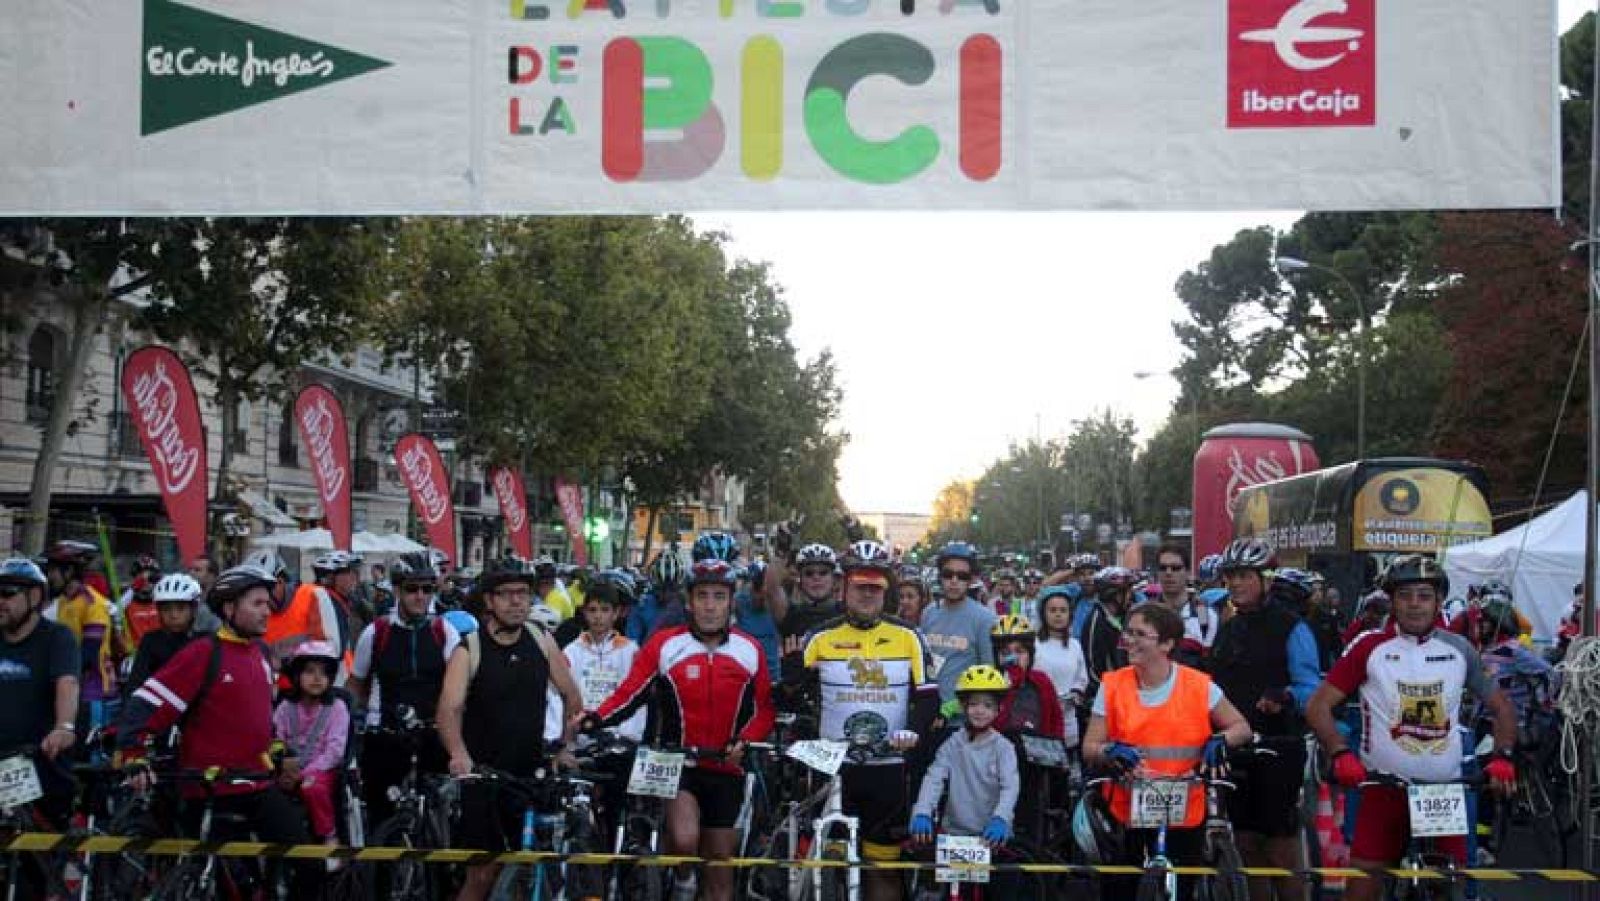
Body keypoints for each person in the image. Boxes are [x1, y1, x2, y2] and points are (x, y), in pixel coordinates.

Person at [1306, 554, 1519, 901]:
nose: (1415, 605)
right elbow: (1318, 707)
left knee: (1452, 888)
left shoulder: (1459, 649)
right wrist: (1340, 752)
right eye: (1405, 595)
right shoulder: (1369, 647)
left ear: (1438, 602)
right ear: (1392, 601)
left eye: (1424, 595)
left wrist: (1503, 756)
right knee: (1360, 889)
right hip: (1382, 789)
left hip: (1443, 792)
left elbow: (1503, 709)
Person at [118, 563, 318, 892]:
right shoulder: (203, 652)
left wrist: (278, 751)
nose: (267, 611)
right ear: (229, 608)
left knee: (309, 864)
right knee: (227, 884)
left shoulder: (262, 654)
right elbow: (146, 703)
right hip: (210, 792)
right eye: (257, 603)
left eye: (268, 603)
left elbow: (258, 724)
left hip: (256, 787)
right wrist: (133, 752)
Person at [589, 557, 774, 901]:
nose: (709, 605)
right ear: (689, 601)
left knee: (720, 866)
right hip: (676, 762)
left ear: (731, 602)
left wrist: (746, 741)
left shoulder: (750, 649)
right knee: (686, 842)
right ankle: (684, 878)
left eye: (719, 596)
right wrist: (594, 718)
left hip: (726, 766)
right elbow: (630, 693)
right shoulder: (663, 644)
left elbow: (764, 710)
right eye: (702, 596)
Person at [437, 556, 584, 901]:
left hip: (528, 773)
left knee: (524, 868)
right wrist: (459, 755)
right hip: (483, 775)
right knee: (482, 874)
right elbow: (448, 709)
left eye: (523, 593)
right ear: (489, 601)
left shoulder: (540, 638)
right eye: (506, 594)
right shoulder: (469, 649)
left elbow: (571, 696)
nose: (516, 601)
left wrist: (565, 746)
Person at [1083, 603, 1253, 901]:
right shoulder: (1112, 685)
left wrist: (1221, 741)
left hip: (1185, 801)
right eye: (1128, 632)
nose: (1129, 641)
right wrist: (1110, 750)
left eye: (1140, 634)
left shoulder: (1198, 685)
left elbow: (1241, 727)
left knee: (1183, 888)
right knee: (1120, 888)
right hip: (1128, 803)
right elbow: (1090, 747)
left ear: (1166, 644)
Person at [801, 540, 937, 901]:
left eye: (875, 588)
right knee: (825, 867)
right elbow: (793, 696)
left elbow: (928, 698)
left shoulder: (909, 638)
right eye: (859, 586)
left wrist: (914, 731)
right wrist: (789, 682)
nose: (866, 595)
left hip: (887, 764)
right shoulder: (819, 638)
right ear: (843, 587)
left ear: (886, 591)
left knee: (883, 869)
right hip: (833, 766)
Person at [1206, 538, 1321, 901]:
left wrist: (1285, 697)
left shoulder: (1291, 627)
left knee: (1280, 846)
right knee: (1245, 843)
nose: (1235, 584)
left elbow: (1311, 689)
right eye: (1230, 577)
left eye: (1243, 576)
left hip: (1278, 747)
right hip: (1234, 748)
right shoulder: (1228, 628)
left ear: (1265, 579)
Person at [347, 551, 461, 828]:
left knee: (441, 815)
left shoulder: (445, 632)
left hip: (433, 734)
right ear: (397, 590)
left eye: (427, 589)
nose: (420, 596)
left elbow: (458, 691)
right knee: (381, 813)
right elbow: (355, 685)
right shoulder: (376, 633)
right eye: (411, 589)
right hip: (385, 734)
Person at [0, 558, 80, 847]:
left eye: (7, 593)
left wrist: (64, 726)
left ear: (34, 597)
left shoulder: (57, 637)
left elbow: (67, 683)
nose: (0, 601)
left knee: (31, 865)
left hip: (37, 762)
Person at [909, 665, 1020, 849]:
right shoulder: (953, 743)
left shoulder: (1004, 748)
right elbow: (934, 778)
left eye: (988, 705)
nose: (980, 711)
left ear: (998, 709)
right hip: (953, 832)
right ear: (963, 706)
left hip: (992, 834)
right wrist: (922, 811)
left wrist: (1002, 818)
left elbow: (1010, 787)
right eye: (974, 704)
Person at [272, 641, 350, 852]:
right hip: (289, 769)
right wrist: (281, 766)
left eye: (323, 674)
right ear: (297, 676)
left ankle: (329, 835)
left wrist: (305, 773)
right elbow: (275, 740)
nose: (317, 678)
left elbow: (335, 751)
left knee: (312, 789)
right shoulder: (285, 708)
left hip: (322, 771)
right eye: (309, 672)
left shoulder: (337, 708)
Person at [43, 540, 123, 739]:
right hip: (70, 687)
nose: (48, 576)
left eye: (52, 570)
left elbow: (88, 654)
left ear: (69, 571)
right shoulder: (61, 602)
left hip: (94, 691)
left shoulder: (93, 603)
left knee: (93, 752)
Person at [921, 541, 997, 719]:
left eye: (962, 576)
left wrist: (956, 706)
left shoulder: (985, 619)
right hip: (929, 714)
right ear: (940, 577)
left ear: (971, 580)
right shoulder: (928, 613)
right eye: (948, 574)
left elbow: (989, 674)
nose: (954, 581)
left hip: (962, 722)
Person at [265, 549, 362, 677]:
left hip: (335, 675)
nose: (355, 578)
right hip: (319, 679)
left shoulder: (340, 602)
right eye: (350, 572)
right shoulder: (323, 599)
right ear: (330, 577)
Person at [765, 542, 844, 679]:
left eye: (823, 573)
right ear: (800, 580)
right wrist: (782, 550)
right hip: (796, 694)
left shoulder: (847, 613)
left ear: (834, 580)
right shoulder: (790, 614)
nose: (816, 578)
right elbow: (772, 589)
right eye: (809, 573)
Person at [124, 573, 204, 698]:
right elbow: (136, 683)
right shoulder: (151, 641)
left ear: (193, 610)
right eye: (167, 609)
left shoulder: (206, 641)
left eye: (180, 608)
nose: (173, 615)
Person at [989, 615, 1065, 738]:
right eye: (1005, 653)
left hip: (1038, 751)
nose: (1013, 658)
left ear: (1030, 655)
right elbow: (993, 725)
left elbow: (1056, 720)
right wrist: (1010, 687)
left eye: (1019, 652)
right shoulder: (989, 683)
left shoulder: (1042, 680)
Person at [1032, 586, 1088, 747]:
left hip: (1068, 721)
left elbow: (1081, 678)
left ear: (1070, 614)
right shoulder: (1033, 644)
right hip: (1039, 720)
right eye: (1053, 610)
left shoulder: (1075, 645)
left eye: (1063, 610)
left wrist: (1075, 694)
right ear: (1043, 613)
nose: (1058, 614)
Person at [1080, 566, 1135, 704]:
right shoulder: (1097, 620)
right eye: (1127, 592)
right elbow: (1092, 668)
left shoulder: (1122, 619)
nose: (1131, 596)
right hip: (1107, 698)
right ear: (1113, 594)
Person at [118, 555, 165, 650]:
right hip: (135, 655)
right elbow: (114, 612)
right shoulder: (127, 603)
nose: (146, 582)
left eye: (150, 578)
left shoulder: (161, 602)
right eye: (141, 578)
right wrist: (134, 587)